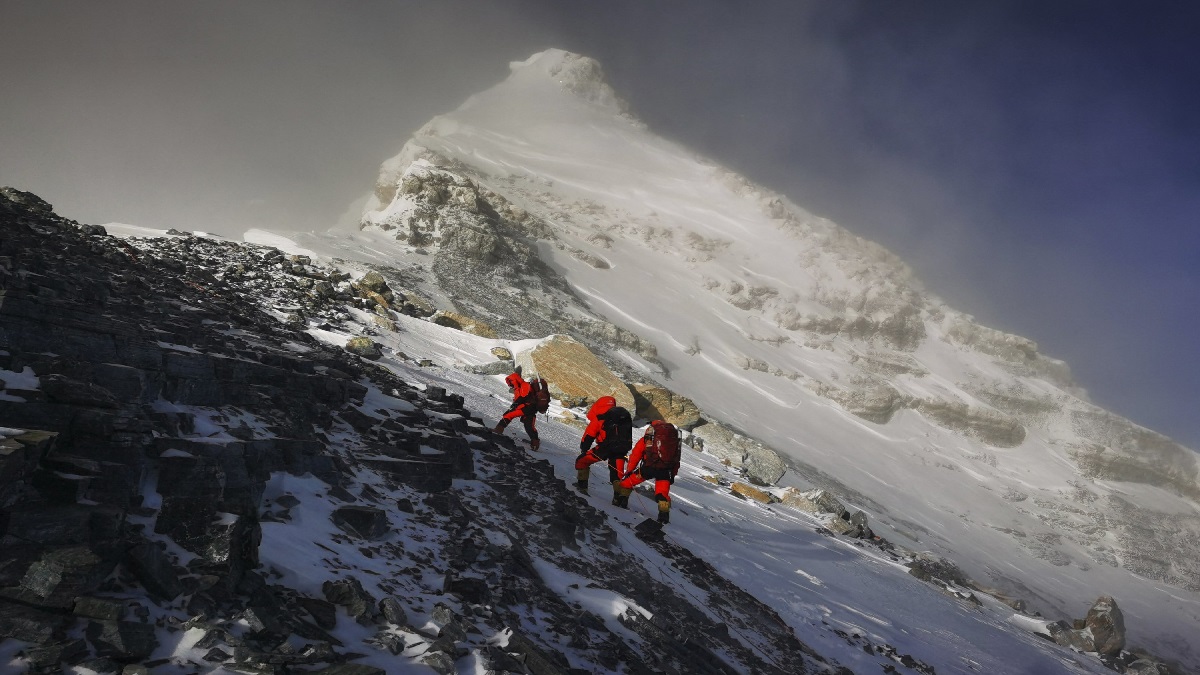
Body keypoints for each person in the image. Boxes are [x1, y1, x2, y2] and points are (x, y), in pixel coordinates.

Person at [615, 420, 681, 524]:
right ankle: (663, 517)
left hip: (648, 468)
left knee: (627, 483)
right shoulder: (673, 442)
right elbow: (676, 460)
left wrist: (629, 470)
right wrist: (672, 474)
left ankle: (621, 502)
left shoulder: (648, 439)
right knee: (662, 494)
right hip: (665, 470)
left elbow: (635, 455)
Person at [573, 396, 632, 500]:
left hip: (604, 449)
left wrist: (584, 449)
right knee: (617, 475)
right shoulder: (623, 417)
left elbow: (589, 435)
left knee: (582, 461)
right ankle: (619, 500)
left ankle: (582, 487)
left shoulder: (600, 417)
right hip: (621, 451)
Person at [492, 372, 539, 451]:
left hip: (527, 407)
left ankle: (498, 430)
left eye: (511, 383)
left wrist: (515, 404)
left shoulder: (525, 385)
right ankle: (535, 444)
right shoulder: (519, 388)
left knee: (508, 416)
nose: (510, 385)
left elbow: (523, 397)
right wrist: (514, 405)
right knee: (529, 426)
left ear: (515, 381)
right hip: (529, 408)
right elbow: (519, 400)